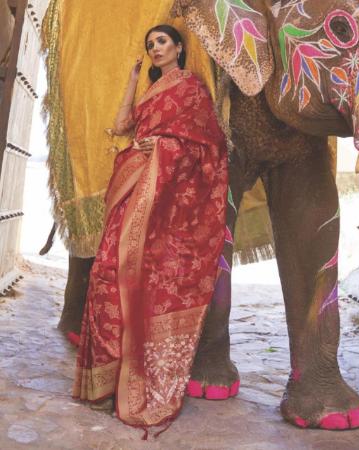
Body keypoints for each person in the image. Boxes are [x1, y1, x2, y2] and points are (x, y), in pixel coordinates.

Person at [72, 24, 228, 433]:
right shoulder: (151, 90)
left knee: (140, 279)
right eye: (150, 44)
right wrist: (131, 80)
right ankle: (106, 381)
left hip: (164, 197)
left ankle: (136, 383)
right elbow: (123, 126)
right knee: (107, 271)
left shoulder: (191, 88)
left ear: (178, 46)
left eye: (162, 42)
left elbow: (206, 147)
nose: (155, 48)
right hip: (133, 187)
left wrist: (160, 147)